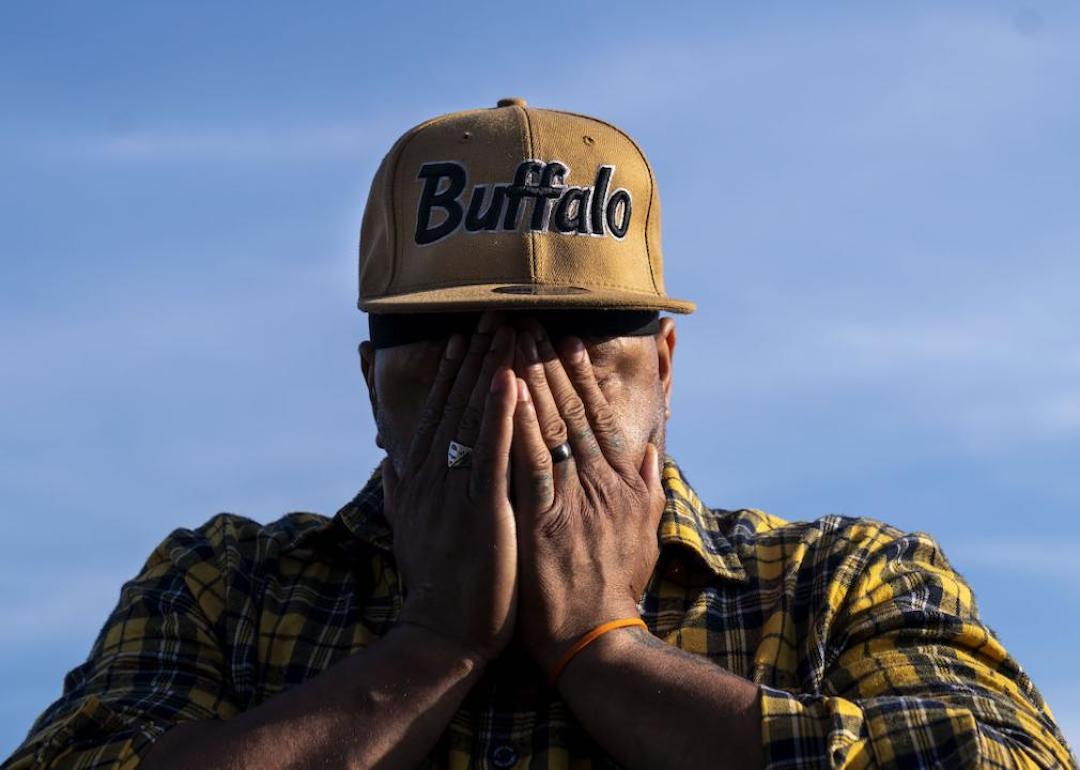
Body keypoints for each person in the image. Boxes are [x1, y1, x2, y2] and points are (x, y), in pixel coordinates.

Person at [4, 97, 1075, 770]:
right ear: (375, 381)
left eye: (572, 338)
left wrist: (608, 651)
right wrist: (429, 647)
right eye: (452, 343)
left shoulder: (841, 582)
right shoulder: (224, 585)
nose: (516, 388)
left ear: (661, 369)